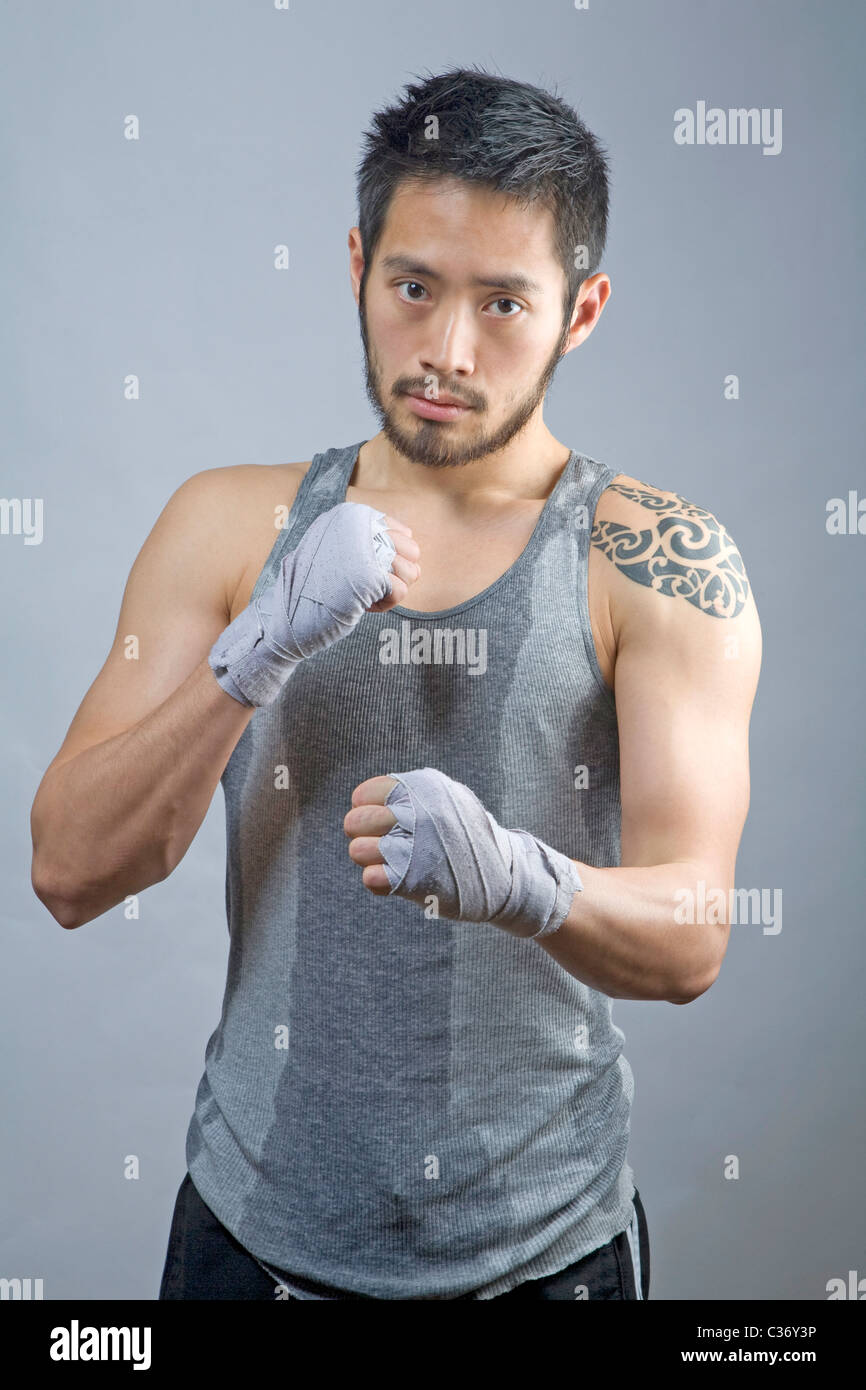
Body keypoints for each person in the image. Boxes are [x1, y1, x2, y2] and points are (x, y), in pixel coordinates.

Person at [30, 66, 761, 1301]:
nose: (444, 350)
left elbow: (693, 933)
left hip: (547, 1261)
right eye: (412, 287)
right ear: (358, 263)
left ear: (579, 313)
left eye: (502, 305)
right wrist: (252, 651)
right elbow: (70, 867)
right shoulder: (227, 525)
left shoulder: (651, 559)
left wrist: (519, 879)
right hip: (252, 1246)